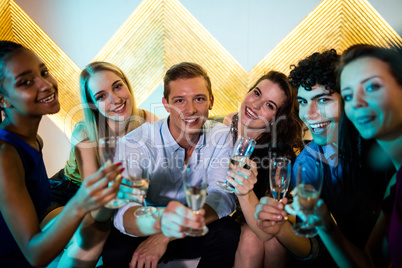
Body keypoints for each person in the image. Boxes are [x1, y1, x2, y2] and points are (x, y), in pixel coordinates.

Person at [254, 49, 393, 266]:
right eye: (302, 101)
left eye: (322, 100)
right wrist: (281, 227)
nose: (308, 114)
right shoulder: (307, 165)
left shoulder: (388, 155)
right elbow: (314, 248)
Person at [101, 62, 240, 267]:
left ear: (211, 101)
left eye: (199, 99)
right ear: (166, 104)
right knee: (115, 252)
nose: (190, 110)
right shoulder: (135, 142)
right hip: (151, 224)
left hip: (196, 224)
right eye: (179, 101)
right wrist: (162, 225)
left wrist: (167, 235)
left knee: (228, 232)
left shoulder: (221, 136)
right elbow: (125, 210)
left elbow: (222, 195)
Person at [0, 41, 122, 267]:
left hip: (42, 225)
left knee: (100, 228)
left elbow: (39, 209)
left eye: (44, 72)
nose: (46, 84)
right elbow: (35, 255)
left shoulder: (34, 139)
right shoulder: (5, 155)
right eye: (26, 82)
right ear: (2, 99)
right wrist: (81, 202)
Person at [310, 44, 402, 267]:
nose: (357, 103)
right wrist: (325, 224)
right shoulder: (395, 183)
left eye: (372, 86)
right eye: (349, 95)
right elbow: (370, 262)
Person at [58, 61, 157, 267]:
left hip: (117, 194)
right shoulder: (85, 135)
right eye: (101, 96)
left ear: (127, 85)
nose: (115, 99)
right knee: (93, 235)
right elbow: (95, 208)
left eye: (117, 86)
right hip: (70, 190)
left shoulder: (149, 122)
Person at [223, 70, 303, 267]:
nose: (255, 105)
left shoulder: (280, 155)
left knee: (273, 242)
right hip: (223, 214)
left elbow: (266, 226)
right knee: (252, 240)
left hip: (255, 218)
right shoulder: (226, 124)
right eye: (257, 93)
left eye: (269, 105)